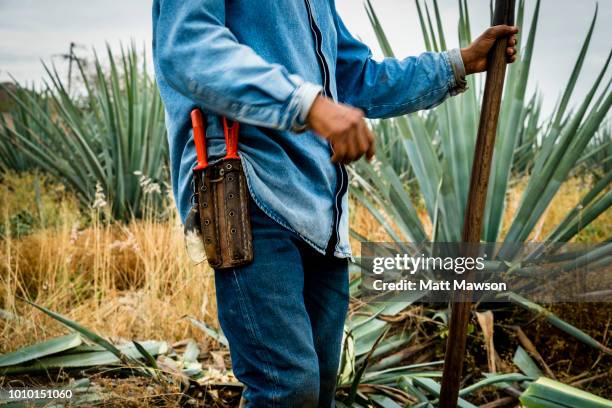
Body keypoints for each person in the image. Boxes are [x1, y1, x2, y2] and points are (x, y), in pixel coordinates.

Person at [152, 1, 517, 406]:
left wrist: (457, 64)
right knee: (287, 387)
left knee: (321, 386)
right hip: (248, 192)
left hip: (321, 211)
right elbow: (187, 45)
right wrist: (307, 104)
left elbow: (355, 78)